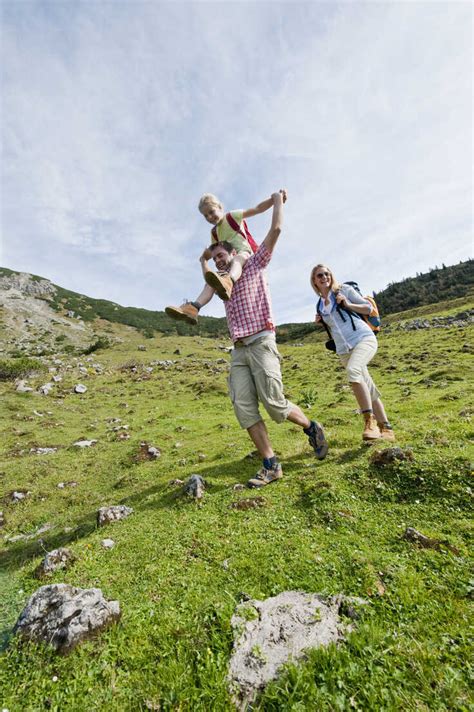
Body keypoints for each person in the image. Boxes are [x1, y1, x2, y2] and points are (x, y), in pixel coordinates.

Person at [200, 191, 328, 488]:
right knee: (243, 408)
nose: (219, 259)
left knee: (274, 404)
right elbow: (205, 286)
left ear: (233, 253)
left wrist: (277, 201)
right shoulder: (221, 284)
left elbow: (276, 229)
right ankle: (271, 464)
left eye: (222, 255)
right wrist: (203, 260)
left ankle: (311, 427)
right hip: (239, 349)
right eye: (215, 256)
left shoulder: (255, 264)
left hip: (261, 341)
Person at [165, 192, 286, 325]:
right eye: (205, 216)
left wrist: (274, 200)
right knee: (211, 282)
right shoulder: (214, 233)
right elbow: (216, 252)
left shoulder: (232, 217)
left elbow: (257, 209)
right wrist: (204, 258)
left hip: (244, 254)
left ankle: (229, 281)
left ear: (220, 207)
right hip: (230, 263)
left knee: (237, 260)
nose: (210, 217)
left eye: (211, 212)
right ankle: (194, 307)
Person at [310, 264, 395, 442]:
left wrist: (347, 304)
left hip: (363, 338)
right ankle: (386, 428)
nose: (324, 277)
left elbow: (368, 309)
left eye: (327, 274)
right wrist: (322, 322)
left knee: (353, 372)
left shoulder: (344, 290)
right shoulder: (320, 305)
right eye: (319, 275)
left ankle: (369, 421)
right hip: (343, 350)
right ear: (315, 281)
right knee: (368, 386)